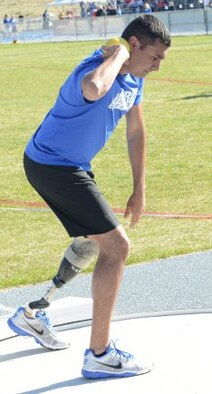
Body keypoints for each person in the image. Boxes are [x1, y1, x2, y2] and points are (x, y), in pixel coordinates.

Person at [7, 15, 171, 379]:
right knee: (117, 247)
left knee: (91, 244)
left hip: (72, 166)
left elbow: (135, 132)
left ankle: (32, 313)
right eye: (154, 57)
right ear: (135, 44)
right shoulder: (97, 66)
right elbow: (95, 89)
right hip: (51, 164)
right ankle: (99, 354)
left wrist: (139, 187)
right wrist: (117, 53)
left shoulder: (134, 80)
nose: (157, 67)